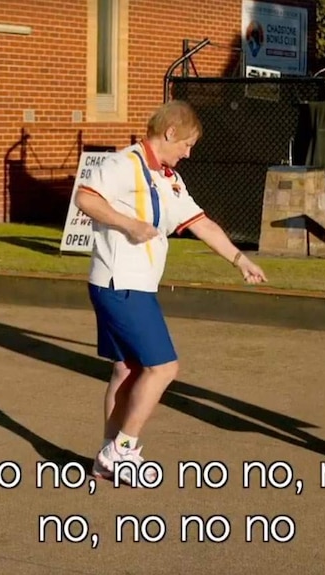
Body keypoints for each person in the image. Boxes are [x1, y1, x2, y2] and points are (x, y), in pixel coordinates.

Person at [75, 100, 267, 485]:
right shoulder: (122, 164)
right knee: (163, 368)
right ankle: (122, 450)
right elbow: (85, 198)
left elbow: (201, 223)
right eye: (188, 144)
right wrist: (129, 224)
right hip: (120, 284)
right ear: (170, 133)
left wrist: (239, 259)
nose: (189, 153)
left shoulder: (168, 177)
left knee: (126, 370)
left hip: (136, 285)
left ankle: (107, 454)